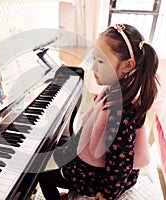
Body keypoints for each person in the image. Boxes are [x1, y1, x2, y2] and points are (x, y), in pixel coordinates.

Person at [38, 24, 159, 200]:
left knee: (43, 177)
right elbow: (90, 131)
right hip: (99, 168)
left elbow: (120, 162)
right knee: (58, 159)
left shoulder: (122, 113)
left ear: (127, 65)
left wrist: (107, 194)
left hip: (102, 178)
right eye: (94, 59)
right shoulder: (113, 91)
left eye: (100, 61)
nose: (93, 67)